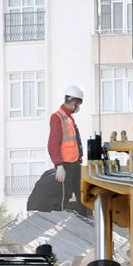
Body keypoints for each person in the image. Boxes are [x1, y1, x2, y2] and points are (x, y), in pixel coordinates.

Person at [47, 85, 85, 217]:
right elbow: (53, 143)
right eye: (79, 103)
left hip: (75, 164)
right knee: (65, 196)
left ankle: (85, 218)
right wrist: (59, 166)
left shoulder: (69, 118)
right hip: (65, 166)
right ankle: (60, 222)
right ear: (74, 102)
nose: (78, 107)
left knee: (82, 194)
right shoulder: (57, 117)